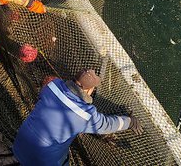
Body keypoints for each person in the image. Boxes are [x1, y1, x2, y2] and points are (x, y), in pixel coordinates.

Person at [12, 69, 142, 165]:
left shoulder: (52, 86)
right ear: (88, 90)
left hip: (19, 145)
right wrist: (130, 122)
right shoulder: (85, 114)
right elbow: (107, 125)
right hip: (42, 160)